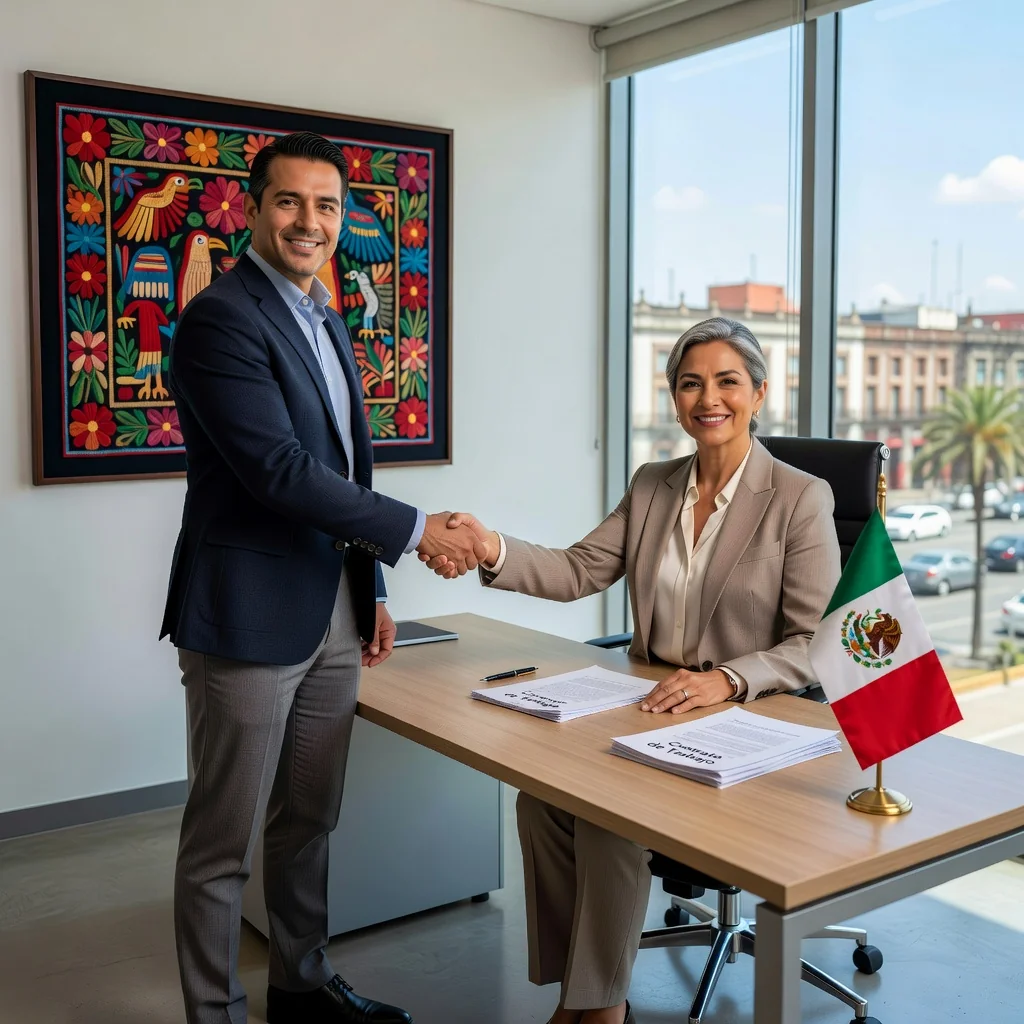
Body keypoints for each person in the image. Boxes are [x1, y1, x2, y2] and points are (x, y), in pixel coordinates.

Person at [422, 317, 841, 1024]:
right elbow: (578, 568)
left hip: (747, 718)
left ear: (760, 392)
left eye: (727, 381)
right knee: (543, 798)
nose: (709, 398)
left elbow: (818, 641)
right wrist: (490, 545)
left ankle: (600, 1008)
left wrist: (729, 678)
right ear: (674, 399)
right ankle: (580, 993)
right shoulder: (653, 485)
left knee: (611, 815)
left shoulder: (800, 497)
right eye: (690, 383)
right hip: (652, 702)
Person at [161, 131, 483, 1024]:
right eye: (291, 202)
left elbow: (345, 470)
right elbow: (278, 470)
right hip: (247, 612)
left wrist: (371, 587)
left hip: (332, 610)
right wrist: (419, 534)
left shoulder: (325, 316)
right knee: (222, 841)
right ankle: (213, 1013)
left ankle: (300, 989)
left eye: (328, 206)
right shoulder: (221, 318)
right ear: (257, 208)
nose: (311, 222)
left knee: (309, 819)